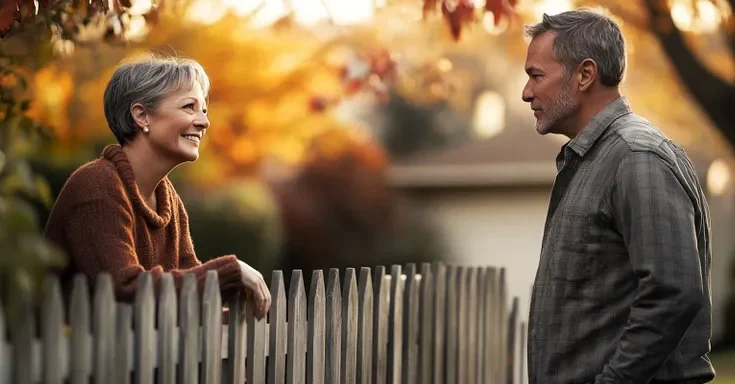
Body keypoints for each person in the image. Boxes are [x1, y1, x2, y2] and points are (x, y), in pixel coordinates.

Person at [522, 8, 715, 384]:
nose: (527, 92)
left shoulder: (636, 157)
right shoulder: (595, 158)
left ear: (585, 74)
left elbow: (673, 294)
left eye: (536, 75)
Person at [44, 54, 271, 319]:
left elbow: (186, 295)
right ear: (141, 116)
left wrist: (230, 319)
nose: (204, 122)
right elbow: (125, 289)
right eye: (189, 107)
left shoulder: (167, 198)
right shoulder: (96, 186)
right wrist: (230, 271)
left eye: (204, 111)